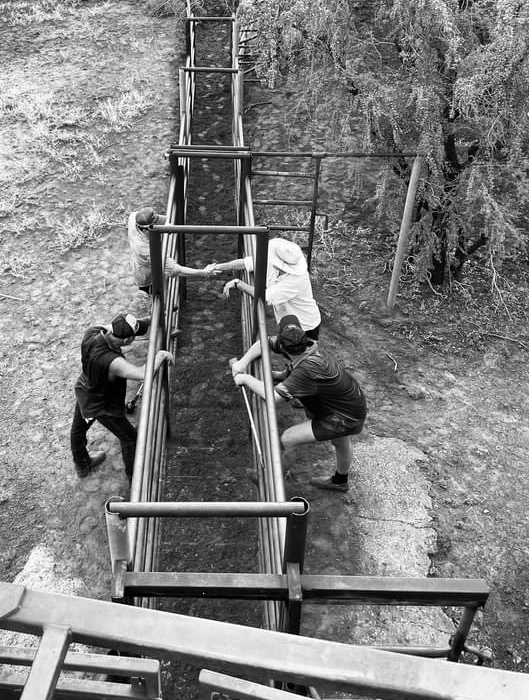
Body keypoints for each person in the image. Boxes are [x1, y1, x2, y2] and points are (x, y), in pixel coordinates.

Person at [230, 315, 366, 492]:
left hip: (344, 417)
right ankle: (340, 481)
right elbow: (263, 343)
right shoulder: (305, 344)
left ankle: (270, 481)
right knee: (341, 442)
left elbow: (272, 397)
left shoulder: (307, 369)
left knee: (289, 438)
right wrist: (242, 363)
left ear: (285, 350)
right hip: (351, 403)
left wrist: (245, 378)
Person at [70, 312, 174, 480]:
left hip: (85, 387)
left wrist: (151, 319)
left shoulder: (94, 331)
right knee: (130, 439)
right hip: (103, 405)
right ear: (127, 341)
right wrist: (159, 356)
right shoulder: (112, 362)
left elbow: (132, 325)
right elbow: (142, 373)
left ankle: (82, 464)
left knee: (78, 428)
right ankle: (135, 480)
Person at [209, 237, 321, 339]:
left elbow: (265, 296)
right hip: (287, 319)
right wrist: (218, 267)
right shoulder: (271, 262)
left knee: (302, 356)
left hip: (305, 325)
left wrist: (238, 284)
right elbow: (246, 263)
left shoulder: (296, 280)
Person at [128, 207, 215, 294]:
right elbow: (177, 270)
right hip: (146, 275)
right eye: (157, 224)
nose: (162, 225)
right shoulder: (146, 249)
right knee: (151, 293)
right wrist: (203, 272)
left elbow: (164, 223)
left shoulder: (133, 218)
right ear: (145, 230)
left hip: (139, 260)